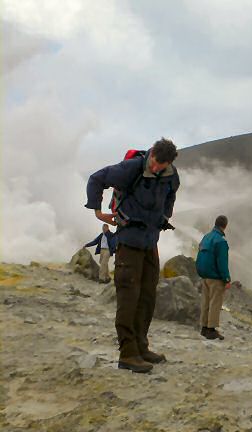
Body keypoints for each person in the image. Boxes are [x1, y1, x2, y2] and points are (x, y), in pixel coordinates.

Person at [84, 138, 180, 373]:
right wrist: (97, 211)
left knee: (148, 296)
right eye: (155, 162)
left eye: (162, 165)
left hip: (150, 242)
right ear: (152, 155)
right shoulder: (132, 168)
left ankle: (141, 347)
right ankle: (128, 354)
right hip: (128, 239)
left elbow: (171, 194)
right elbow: (97, 178)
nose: (156, 168)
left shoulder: (171, 175)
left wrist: (164, 215)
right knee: (129, 296)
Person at [196, 215, 231, 340]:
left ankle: (204, 328)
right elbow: (222, 262)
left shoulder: (206, 237)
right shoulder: (221, 241)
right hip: (215, 277)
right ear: (225, 226)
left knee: (205, 301)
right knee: (215, 302)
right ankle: (211, 329)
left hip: (204, 276)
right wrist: (226, 278)